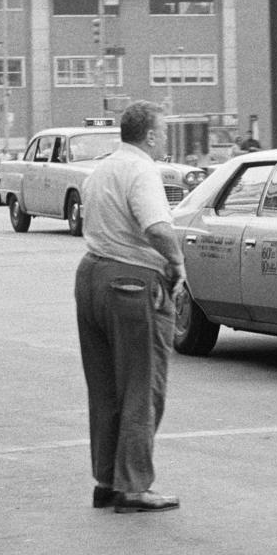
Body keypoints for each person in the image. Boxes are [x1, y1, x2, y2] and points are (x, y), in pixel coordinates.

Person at [75, 100, 184, 514]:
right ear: (151, 136)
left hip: (91, 275)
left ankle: (107, 480)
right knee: (143, 383)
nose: (166, 139)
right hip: (132, 281)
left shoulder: (102, 169)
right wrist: (177, 263)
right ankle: (135, 485)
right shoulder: (142, 171)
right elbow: (156, 226)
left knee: (104, 386)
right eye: (164, 132)